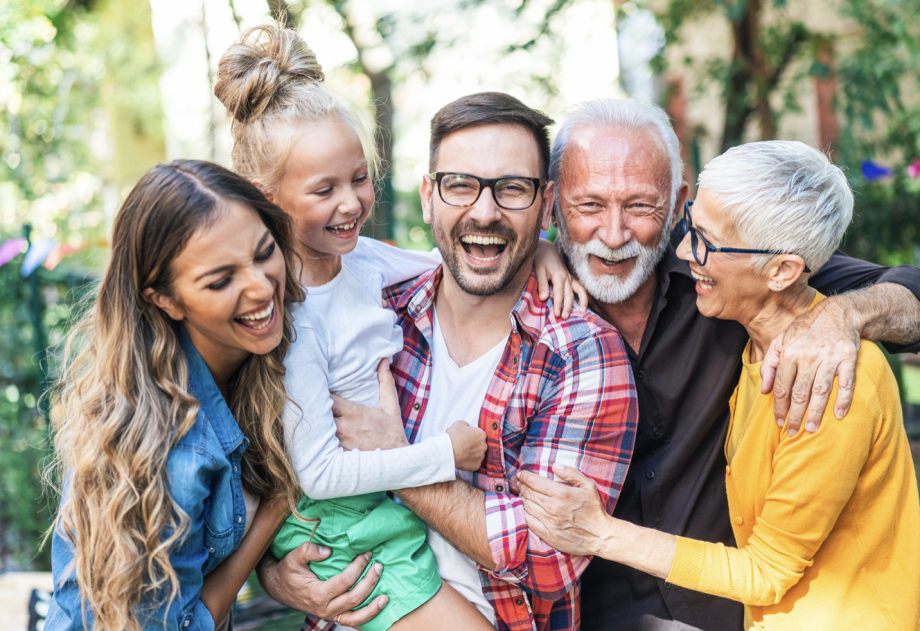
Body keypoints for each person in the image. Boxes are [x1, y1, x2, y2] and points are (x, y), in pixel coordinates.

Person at [214, 31, 587, 631]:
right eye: (324, 190)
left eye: (359, 179)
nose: (352, 203)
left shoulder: (363, 263)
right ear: (268, 199)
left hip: (379, 515)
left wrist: (542, 249)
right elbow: (316, 474)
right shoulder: (294, 320)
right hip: (342, 519)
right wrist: (442, 456)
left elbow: (457, 258)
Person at [540, 98, 920, 630]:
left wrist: (847, 313)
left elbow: (909, 292)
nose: (613, 232)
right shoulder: (746, 335)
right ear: (554, 205)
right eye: (588, 206)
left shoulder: (808, 348)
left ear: (675, 205)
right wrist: (537, 247)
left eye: (641, 207)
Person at [45, 160, 306, 631]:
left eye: (265, 252)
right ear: (164, 298)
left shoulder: (254, 354)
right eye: (221, 280)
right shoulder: (173, 450)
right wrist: (274, 511)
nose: (261, 286)